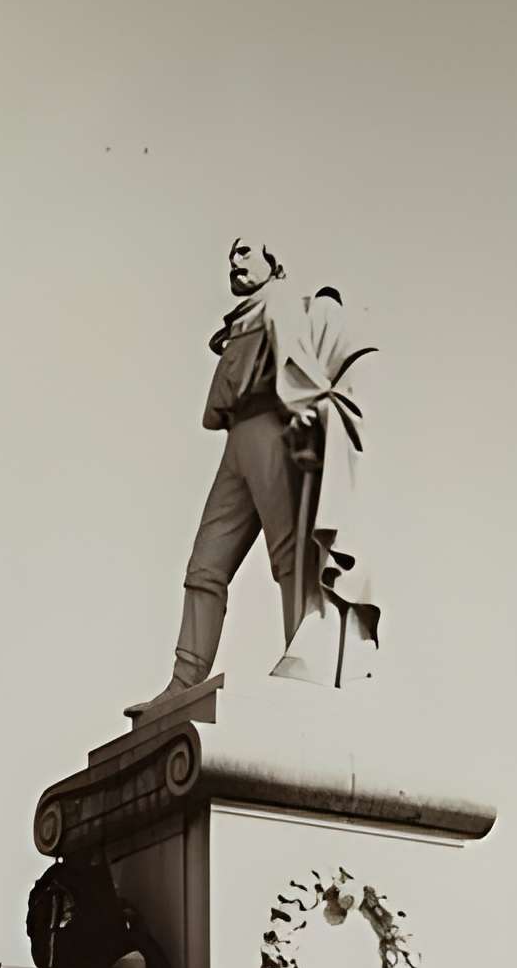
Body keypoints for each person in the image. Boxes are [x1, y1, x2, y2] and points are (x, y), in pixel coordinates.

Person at [150, 236, 380, 704]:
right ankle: (183, 681)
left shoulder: (280, 302)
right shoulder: (244, 317)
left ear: (273, 262)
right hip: (238, 440)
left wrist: (306, 417)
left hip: (270, 431)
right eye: (230, 256)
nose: (234, 262)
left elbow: (299, 370)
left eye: (245, 253)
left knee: (289, 557)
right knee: (205, 565)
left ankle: (308, 664)